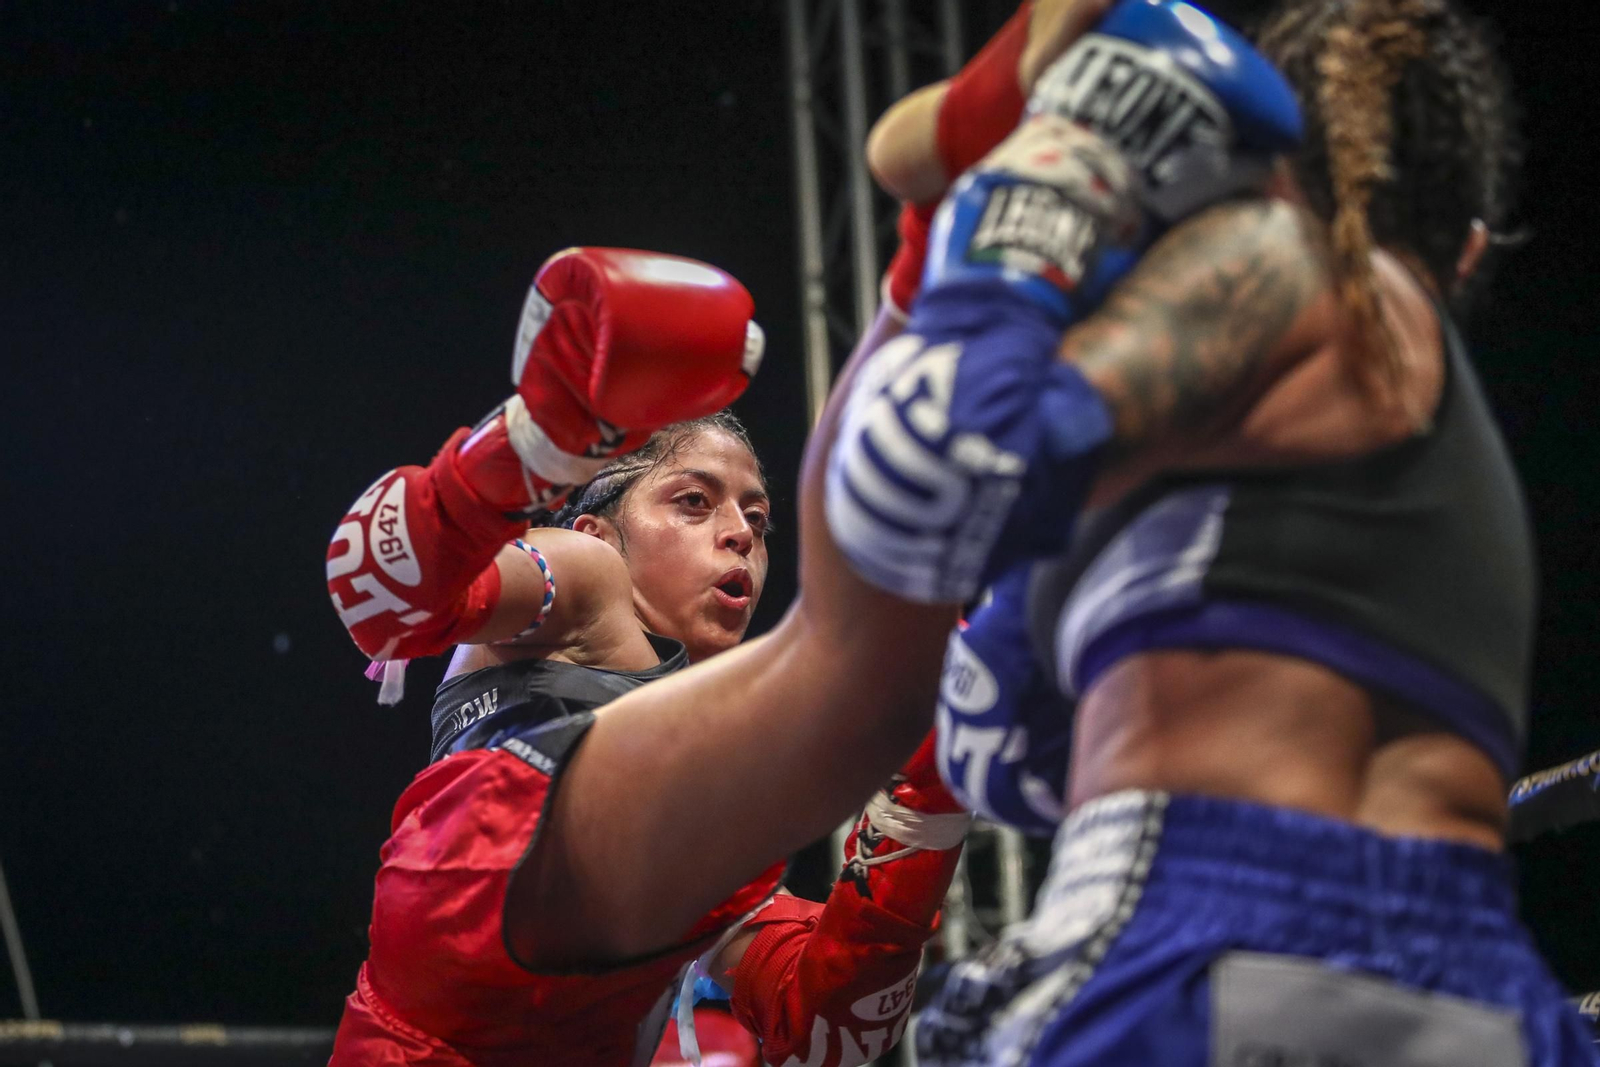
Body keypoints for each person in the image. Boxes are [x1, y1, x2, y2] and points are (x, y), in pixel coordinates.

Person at [831, 0, 1599, 1064]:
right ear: (1468, 250)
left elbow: (916, 481)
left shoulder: (1282, 264)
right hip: (1484, 994)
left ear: (1270, 178)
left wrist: (1054, 170)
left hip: (1209, 939)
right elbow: (1002, 743)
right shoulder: (1454, 467)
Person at [324, 248, 970, 1067]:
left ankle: (922, 296)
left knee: (856, 679)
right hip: (474, 894)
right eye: (692, 501)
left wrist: (928, 803)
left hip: (560, 924)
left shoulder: (716, 844)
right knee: (859, 660)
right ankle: (923, 294)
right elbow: (383, 598)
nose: (740, 531)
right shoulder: (584, 571)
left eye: (758, 518)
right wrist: (531, 445)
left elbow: (829, 1035)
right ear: (595, 524)